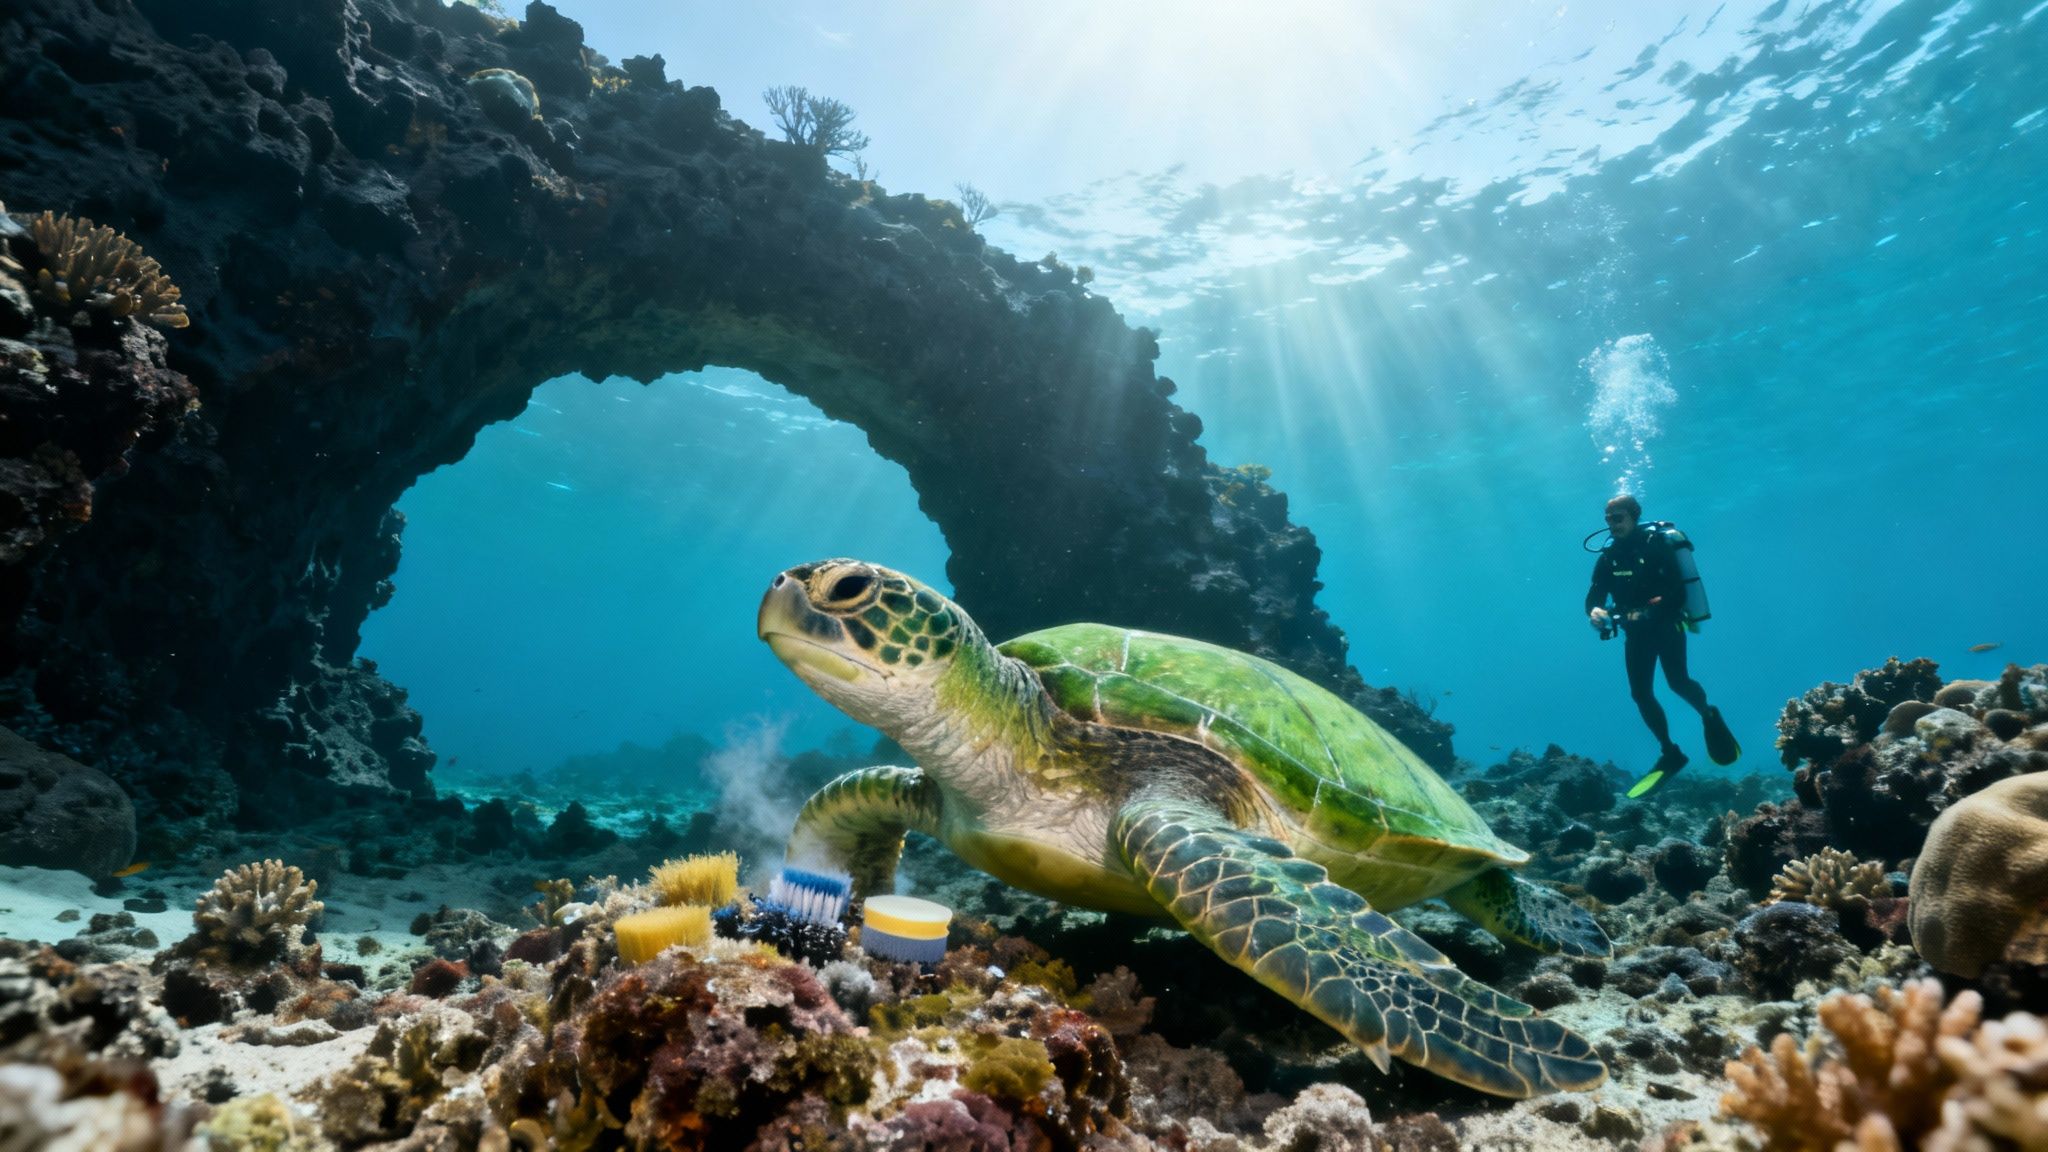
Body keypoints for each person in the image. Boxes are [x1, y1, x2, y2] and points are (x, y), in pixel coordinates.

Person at [1584, 494, 1735, 797]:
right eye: (1608, 519)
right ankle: (1670, 752)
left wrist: (1650, 610)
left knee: (1677, 682)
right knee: (1640, 694)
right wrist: (1595, 613)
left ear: (1634, 516)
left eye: (1618, 518)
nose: (1612, 525)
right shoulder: (1608, 557)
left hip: (1667, 626)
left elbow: (1677, 593)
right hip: (1636, 634)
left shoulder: (1656, 547)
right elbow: (1594, 596)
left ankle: (1707, 713)